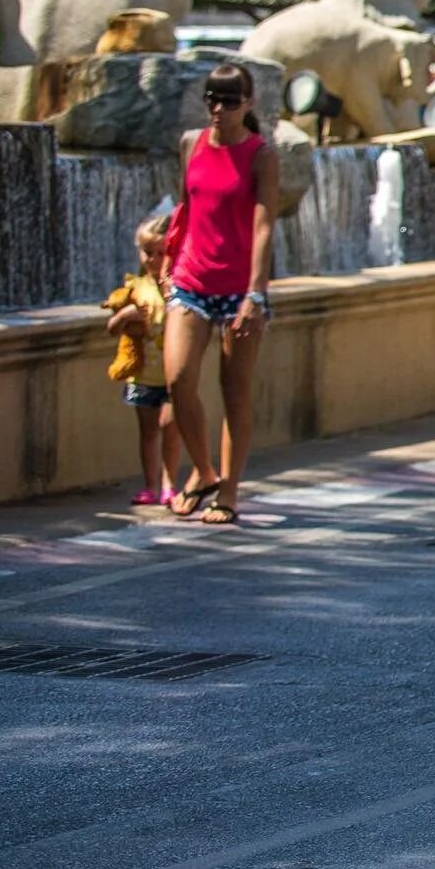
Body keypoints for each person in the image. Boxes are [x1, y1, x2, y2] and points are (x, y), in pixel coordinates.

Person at [163, 64, 280, 526]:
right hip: (191, 281)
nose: (219, 108)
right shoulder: (191, 143)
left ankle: (228, 490)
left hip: (239, 290)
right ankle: (204, 471)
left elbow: (264, 222)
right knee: (178, 380)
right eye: (212, 98)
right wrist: (170, 266)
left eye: (230, 101)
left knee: (235, 392)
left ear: (248, 104)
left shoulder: (260, 154)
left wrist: (256, 293)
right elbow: (186, 207)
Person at [103, 213, 185, 508]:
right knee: (149, 432)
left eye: (161, 253)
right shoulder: (135, 289)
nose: (153, 259)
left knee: (170, 428)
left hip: (174, 375)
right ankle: (150, 485)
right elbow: (112, 329)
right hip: (142, 376)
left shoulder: (178, 287)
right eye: (147, 252)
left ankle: (170, 484)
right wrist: (124, 317)